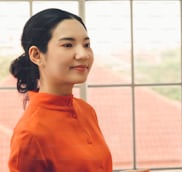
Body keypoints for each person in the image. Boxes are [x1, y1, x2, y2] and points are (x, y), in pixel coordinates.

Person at [8, 8, 112, 172]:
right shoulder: (30, 134)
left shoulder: (86, 111)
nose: (83, 54)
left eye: (87, 44)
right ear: (36, 55)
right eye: (68, 45)